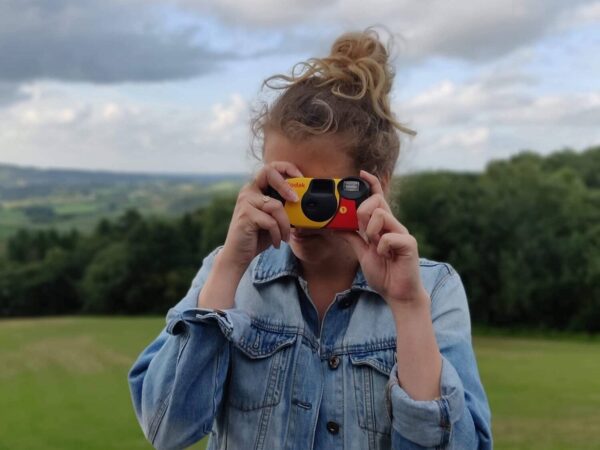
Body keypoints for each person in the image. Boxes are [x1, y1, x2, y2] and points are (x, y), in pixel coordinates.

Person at [128, 26, 493, 450]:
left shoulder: (434, 291)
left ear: (375, 186)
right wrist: (230, 266)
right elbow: (165, 429)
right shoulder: (225, 274)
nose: (300, 213)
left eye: (319, 191)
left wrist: (408, 309)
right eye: (283, 188)